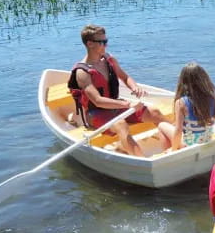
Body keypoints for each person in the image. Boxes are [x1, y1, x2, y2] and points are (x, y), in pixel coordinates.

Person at [68, 24, 167, 156]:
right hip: (96, 114)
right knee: (120, 124)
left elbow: (125, 77)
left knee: (154, 112)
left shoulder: (109, 60)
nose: (105, 45)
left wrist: (135, 87)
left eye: (106, 41)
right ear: (90, 44)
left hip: (116, 106)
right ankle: (142, 160)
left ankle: (176, 145)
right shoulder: (82, 72)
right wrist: (126, 104)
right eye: (102, 42)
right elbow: (97, 101)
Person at [157, 63, 215, 151]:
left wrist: (174, 150)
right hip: (207, 139)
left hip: (189, 144)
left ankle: (167, 151)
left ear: (182, 81)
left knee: (162, 125)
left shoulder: (181, 102)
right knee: (175, 125)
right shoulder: (212, 97)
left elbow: (178, 130)